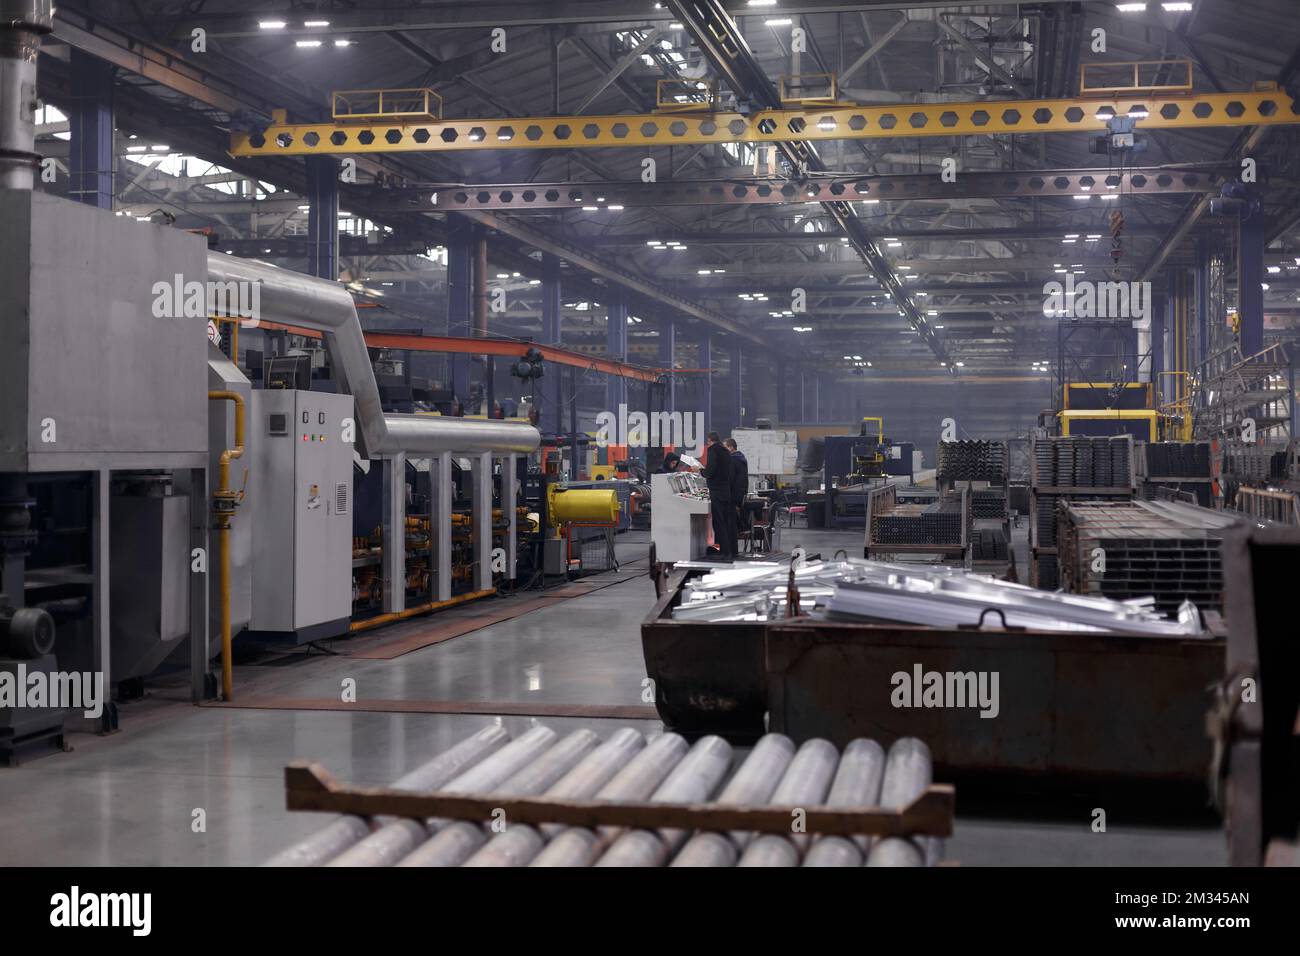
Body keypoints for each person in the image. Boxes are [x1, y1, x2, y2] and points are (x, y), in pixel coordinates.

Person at [702, 432, 737, 559]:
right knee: (725, 522)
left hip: (716, 491)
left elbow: (710, 471)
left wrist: (701, 471)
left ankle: (722, 552)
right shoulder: (726, 452)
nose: (707, 444)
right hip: (726, 491)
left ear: (710, 440)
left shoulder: (713, 451)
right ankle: (726, 550)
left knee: (718, 523)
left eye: (707, 442)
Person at [724, 437, 750, 543]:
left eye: (725, 447)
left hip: (734, 494)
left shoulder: (733, 460)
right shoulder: (741, 458)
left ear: (730, 447)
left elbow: (730, 478)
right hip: (741, 493)